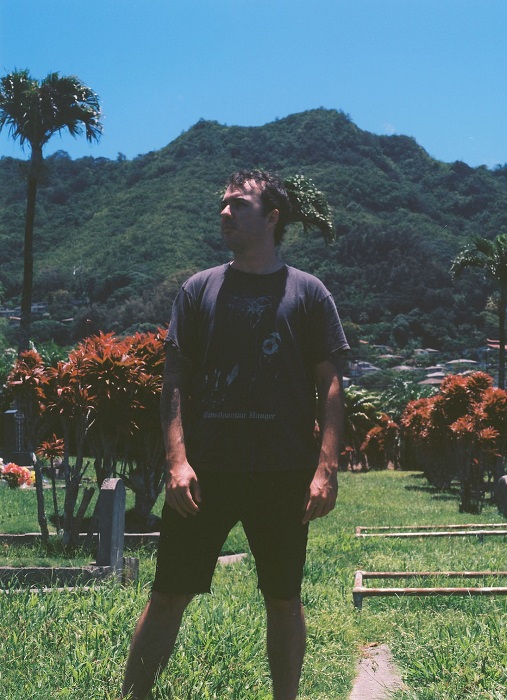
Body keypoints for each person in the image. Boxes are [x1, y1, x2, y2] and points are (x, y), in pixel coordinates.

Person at [121, 169, 348, 700]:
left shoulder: (309, 293)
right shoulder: (198, 290)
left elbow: (331, 385)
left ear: (272, 217)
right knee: (167, 593)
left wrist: (325, 468)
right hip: (205, 473)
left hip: (283, 471)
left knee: (283, 598)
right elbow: (174, 382)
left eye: (239, 204)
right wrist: (177, 462)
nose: (225, 212)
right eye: (223, 204)